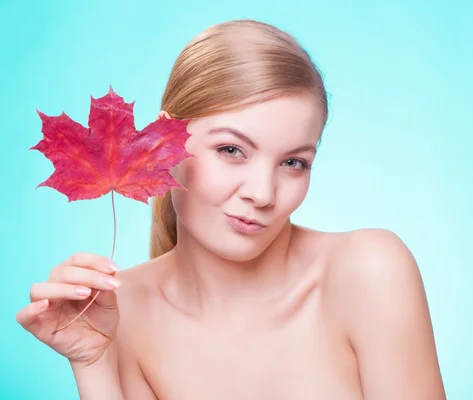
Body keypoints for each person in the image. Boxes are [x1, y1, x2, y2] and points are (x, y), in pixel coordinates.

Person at [16, 19, 446, 399]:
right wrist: (92, 366)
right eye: (231, 150)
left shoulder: (369, 271)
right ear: (165, 142)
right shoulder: (114, 312)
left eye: (293, 162)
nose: (262, 193)